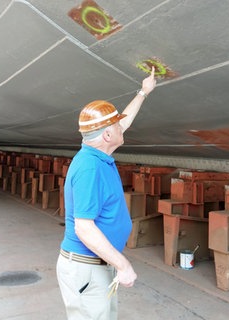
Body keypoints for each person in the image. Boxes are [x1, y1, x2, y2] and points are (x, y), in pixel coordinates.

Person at [57, 67, 156, 320]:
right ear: (108, 135)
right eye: (116, 126)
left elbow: (124, 122)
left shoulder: (97, 153)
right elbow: (84, 228)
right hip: (87, 271)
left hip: (96, 267)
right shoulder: (90, 168)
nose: (123, 128)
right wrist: (124, 265)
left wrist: (143, 92)